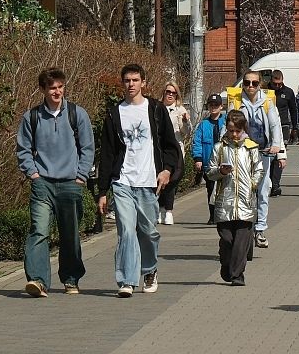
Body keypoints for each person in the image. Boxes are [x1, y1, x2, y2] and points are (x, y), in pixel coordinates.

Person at [96, 63, 181, 298]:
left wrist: (167, 170)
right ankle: (126, 280)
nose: (131, 84)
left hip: (148, 182)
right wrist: (103, 190)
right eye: (127, 80)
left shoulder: (155, 109)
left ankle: (150, 269)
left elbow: (170, 146)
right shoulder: (115, 114)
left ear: (144, 82)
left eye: (135, 80)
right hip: (122, 180)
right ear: (122, 83)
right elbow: (107, 153)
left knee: (148, 232)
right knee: (126, 231)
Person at [16, 67, 95, 297]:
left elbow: (88, 148)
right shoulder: (32, 117)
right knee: (39, 231)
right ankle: (38, 281)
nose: (57, 91)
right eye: (52, 88)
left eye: (60, 87)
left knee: (69, 234)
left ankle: (71, 279)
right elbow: (23, 149)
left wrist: (80, 176)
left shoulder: (77, 114)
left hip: (71, 183)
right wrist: (34, 175)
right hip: (43, 184)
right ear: (43, 90)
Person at [207, 109, 263, 286]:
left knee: (242, 241)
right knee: (227, 239)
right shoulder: (220, 148)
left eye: (237, 131)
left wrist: (253, 184)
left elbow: (259, 169)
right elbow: (209, 172)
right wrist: (220, 172)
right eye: (231, 131)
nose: (234, 134)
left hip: (246, 201)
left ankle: (237, 274)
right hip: (225, 201)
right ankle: (226, 263)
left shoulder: (251, 148)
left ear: (243, 129)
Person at [228, 70, 283, 249]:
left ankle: (260, 230)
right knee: (240, 188)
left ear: (260, 85)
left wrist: (277, 147)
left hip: (263, 151)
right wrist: (223, 146)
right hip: (242, 152)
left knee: (263, 189)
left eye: (254, 83)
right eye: (247, 83)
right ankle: (239, 225)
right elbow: (228, 125)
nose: (250, 86)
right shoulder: (236, 101)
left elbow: (275, 125)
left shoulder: (267, 102)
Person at [158, 82, 192, 225]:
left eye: (173, 93)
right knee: (160, 178)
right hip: (160, 148)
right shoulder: (157, 108)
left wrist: (185, 122)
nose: (170, 95)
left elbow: (186, 132)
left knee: (173, 179)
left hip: (176, 149)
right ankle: (160, 209)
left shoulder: (180, 110)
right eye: (168, 92)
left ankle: (169, 210)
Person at [192, 93, 227, 223]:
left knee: (224, 189)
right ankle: (213, 216)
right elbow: (197, 142)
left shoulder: (226, 122)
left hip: (224, 162)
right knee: (211, 190)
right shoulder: (203, 125)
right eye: (211, 105)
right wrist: (198, 159)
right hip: (208, 164)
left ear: (221, 106)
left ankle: (223, 215)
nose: (213, 107)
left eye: (216, 105)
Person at [269, 70, 297, 196]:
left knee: (279, 155)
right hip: (268, 126)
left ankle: (275, 185)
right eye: (275, 84)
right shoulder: (266, 91)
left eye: (280, 84)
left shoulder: (288, 92)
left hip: (283, 126)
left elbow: (293, 110)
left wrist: (295, 128)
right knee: (268, 155)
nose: (278, 86)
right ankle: (268, 183)